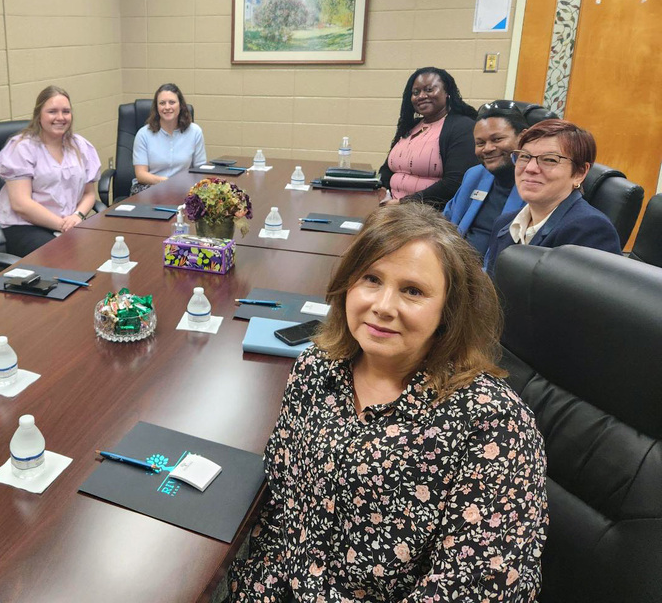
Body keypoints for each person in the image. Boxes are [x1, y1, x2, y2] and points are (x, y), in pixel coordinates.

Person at [228, 203, 548, 602]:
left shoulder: (494, 423)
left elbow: (481, 589)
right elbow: (282, 500)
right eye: (371, 279)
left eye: (412, 291)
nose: (382, 306)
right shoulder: (316, 367)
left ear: (448, 312)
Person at [484, 119, 622, 275]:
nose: (530, 168)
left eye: (550, 160)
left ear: (580, 173)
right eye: (524, 157)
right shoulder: (504, 223)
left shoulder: (590, 230)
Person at [0, 85, 101, 256]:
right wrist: (62, 225)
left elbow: (89, 194)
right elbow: (21, 204)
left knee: (102, 249)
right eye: (52, 111)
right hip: (24, 226)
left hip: (69, 223)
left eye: (66, 111)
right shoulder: (22, 147)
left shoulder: (81, 146)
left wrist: (78, 216)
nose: (60, 117)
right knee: (63, 255)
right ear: (39, 115)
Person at [379, 67, 480, 209]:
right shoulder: (411, 126)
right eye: (415, 92)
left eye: (429, 90)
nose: (421, 96)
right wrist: (381, 189)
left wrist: (405, 202)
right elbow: (387, 169)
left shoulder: (462, 127)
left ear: (447, 93)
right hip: (393, 206)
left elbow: (455, 182)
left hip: (429, 213)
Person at [443, 107, 529, 256]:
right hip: (455, 265)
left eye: (497, 139)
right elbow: (445, 223)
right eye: (480, 143)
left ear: (523, 137)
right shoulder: (474, 175)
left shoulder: (537, 185)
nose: (487, 149)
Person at [130, 83, 207, 195]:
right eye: (162, 103)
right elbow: (141, 175)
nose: (167, 107)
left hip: (183, 190)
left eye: (172, 102)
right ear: (157, 107)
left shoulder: (195, 132)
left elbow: (200, 170)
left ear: (180, 106)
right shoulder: (143, 134)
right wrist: (168, 183)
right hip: (149, 189)